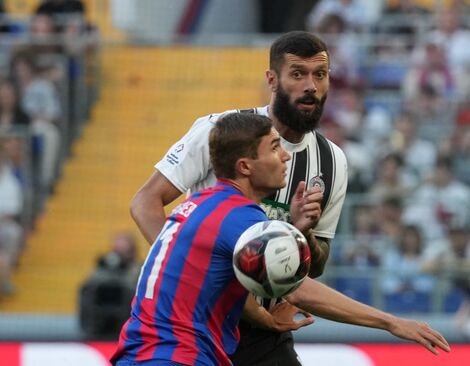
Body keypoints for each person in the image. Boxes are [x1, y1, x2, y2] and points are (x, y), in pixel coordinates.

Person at [112, 113, 450, 365]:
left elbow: (213, 285)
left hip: (142, 353)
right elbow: (299, 288)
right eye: (274, 148)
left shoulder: (199, 205)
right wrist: (391, 322)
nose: (286, 155)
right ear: (245, 166)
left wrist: (265, 319)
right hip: (175, 357)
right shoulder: (240, 218)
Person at [130, 31, 349, 365]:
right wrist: (188, 272)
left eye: (319, 75)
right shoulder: (221, 130)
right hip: (201, 318)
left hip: (265, 328)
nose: (311, 86)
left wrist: (303, 232)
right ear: (272, 80)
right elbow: (145, 202)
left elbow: (313, 269)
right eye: (298, 74)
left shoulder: (332, 161)